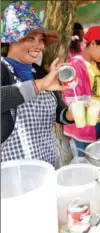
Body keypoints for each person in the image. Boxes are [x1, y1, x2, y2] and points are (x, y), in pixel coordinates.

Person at [1, 1, 74, 169]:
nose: (39, 46)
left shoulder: (39, 72)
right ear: (12, 40)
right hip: (16, 175)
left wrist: (72, 114)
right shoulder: (3, 69)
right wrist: (40, 85)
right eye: (30, 38)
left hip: (49, 167)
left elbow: (60, 115)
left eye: (41, 39)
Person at [63, 25, 100, 157]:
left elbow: (96, 93)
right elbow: (74, 102)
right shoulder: (76, 65)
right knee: (86, 163)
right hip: (83, 127)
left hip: (99, 122)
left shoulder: (96, 65)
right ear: (93, 44)